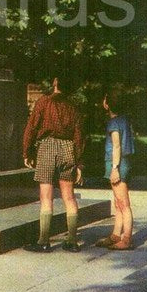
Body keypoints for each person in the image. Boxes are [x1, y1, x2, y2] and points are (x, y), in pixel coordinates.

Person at [22, 74, 84, 252]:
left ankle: (43, 241)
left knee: (46, 197)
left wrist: (27, 151)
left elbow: (32, 127)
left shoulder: (43, 102)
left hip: (47, 147)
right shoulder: (74, 107)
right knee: (69, 197)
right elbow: (79, 136)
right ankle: (72, 241)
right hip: (68, 148)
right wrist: (79, 163)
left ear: (55, 82)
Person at [95, 88, 135, 250]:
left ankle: (126, 239)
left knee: (123, 203)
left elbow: (117, 146)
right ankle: (115, 235)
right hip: (126, 162)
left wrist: (114, 168)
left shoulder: (113, 123)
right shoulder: (124, 120)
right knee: (119, 202)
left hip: (118, 163)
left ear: (107, 104)